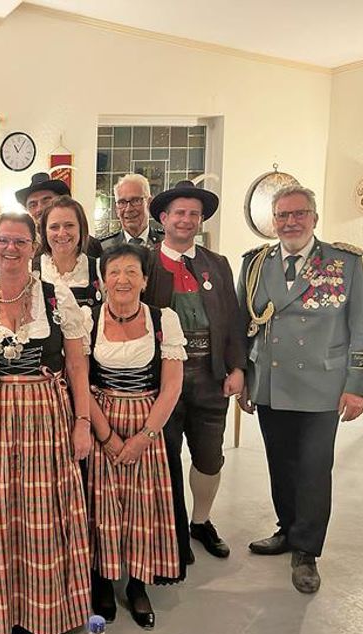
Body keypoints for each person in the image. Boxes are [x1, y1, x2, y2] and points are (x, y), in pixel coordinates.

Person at [0, 212, 91, 634]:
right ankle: (5, 611)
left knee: (43, 513)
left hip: (45, 413)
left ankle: (46, 611)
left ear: (35, 247)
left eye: (20, 241)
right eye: (3, 241)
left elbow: (76, 364)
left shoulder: (57, 297)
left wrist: (83, 421)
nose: (10, 249)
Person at [237, 184, 363, 594]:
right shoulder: (256, 264)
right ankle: (288, 529)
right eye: (282, 215)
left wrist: (358, 386)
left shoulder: (343, 262)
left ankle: (307, 551)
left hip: (322, 385)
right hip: (272, 382)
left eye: (299, 214)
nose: (290, 222)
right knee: (281, 463)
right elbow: (243, 326)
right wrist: (244, 376)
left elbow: (362, 325)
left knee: (314, 469)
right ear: (273, 221)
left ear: (314, 217)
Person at [142, 180, 246, 570]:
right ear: (164, 219)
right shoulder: (145, 262)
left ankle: (200, 522)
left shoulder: (216, 264)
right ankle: (169, 530)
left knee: (209, 457)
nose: (186, 220)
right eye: (179, 213)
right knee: (163, 458)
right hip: (162, 380)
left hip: (209, 376)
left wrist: (237, 367)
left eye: (193, 214)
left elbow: (233, 319)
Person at [87, 243, 185, 630]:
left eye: (131, 271)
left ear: (145, 280)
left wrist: (143, 436)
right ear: (103, 280)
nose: (122, 279)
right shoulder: (87, 318)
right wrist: (107, 436)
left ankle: (138, 584)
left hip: (148, 422)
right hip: (102, 421)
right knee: (103, 507)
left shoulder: (164, 319)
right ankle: (104, 583)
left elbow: (172, 386)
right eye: (114, 271)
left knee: (142, 509)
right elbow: (82, 383)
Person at [35, 196, 103, 307]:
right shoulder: (31, 271)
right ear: (44, 231)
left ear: (81, 229)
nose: (61, 233)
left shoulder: (99, 269)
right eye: (54, 227)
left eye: (69, 225)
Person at [16, 172, 103, 258]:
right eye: (33, 205)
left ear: (60, 202)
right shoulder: (25, 247)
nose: (39, 209)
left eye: (46, 201)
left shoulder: (91, 245)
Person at [99, 174, 164, 251]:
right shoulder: (103, 247)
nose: (128, 209)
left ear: (149, 203)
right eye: (122, 202)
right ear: (116, 208)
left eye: (135, 201)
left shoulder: (166, 243)